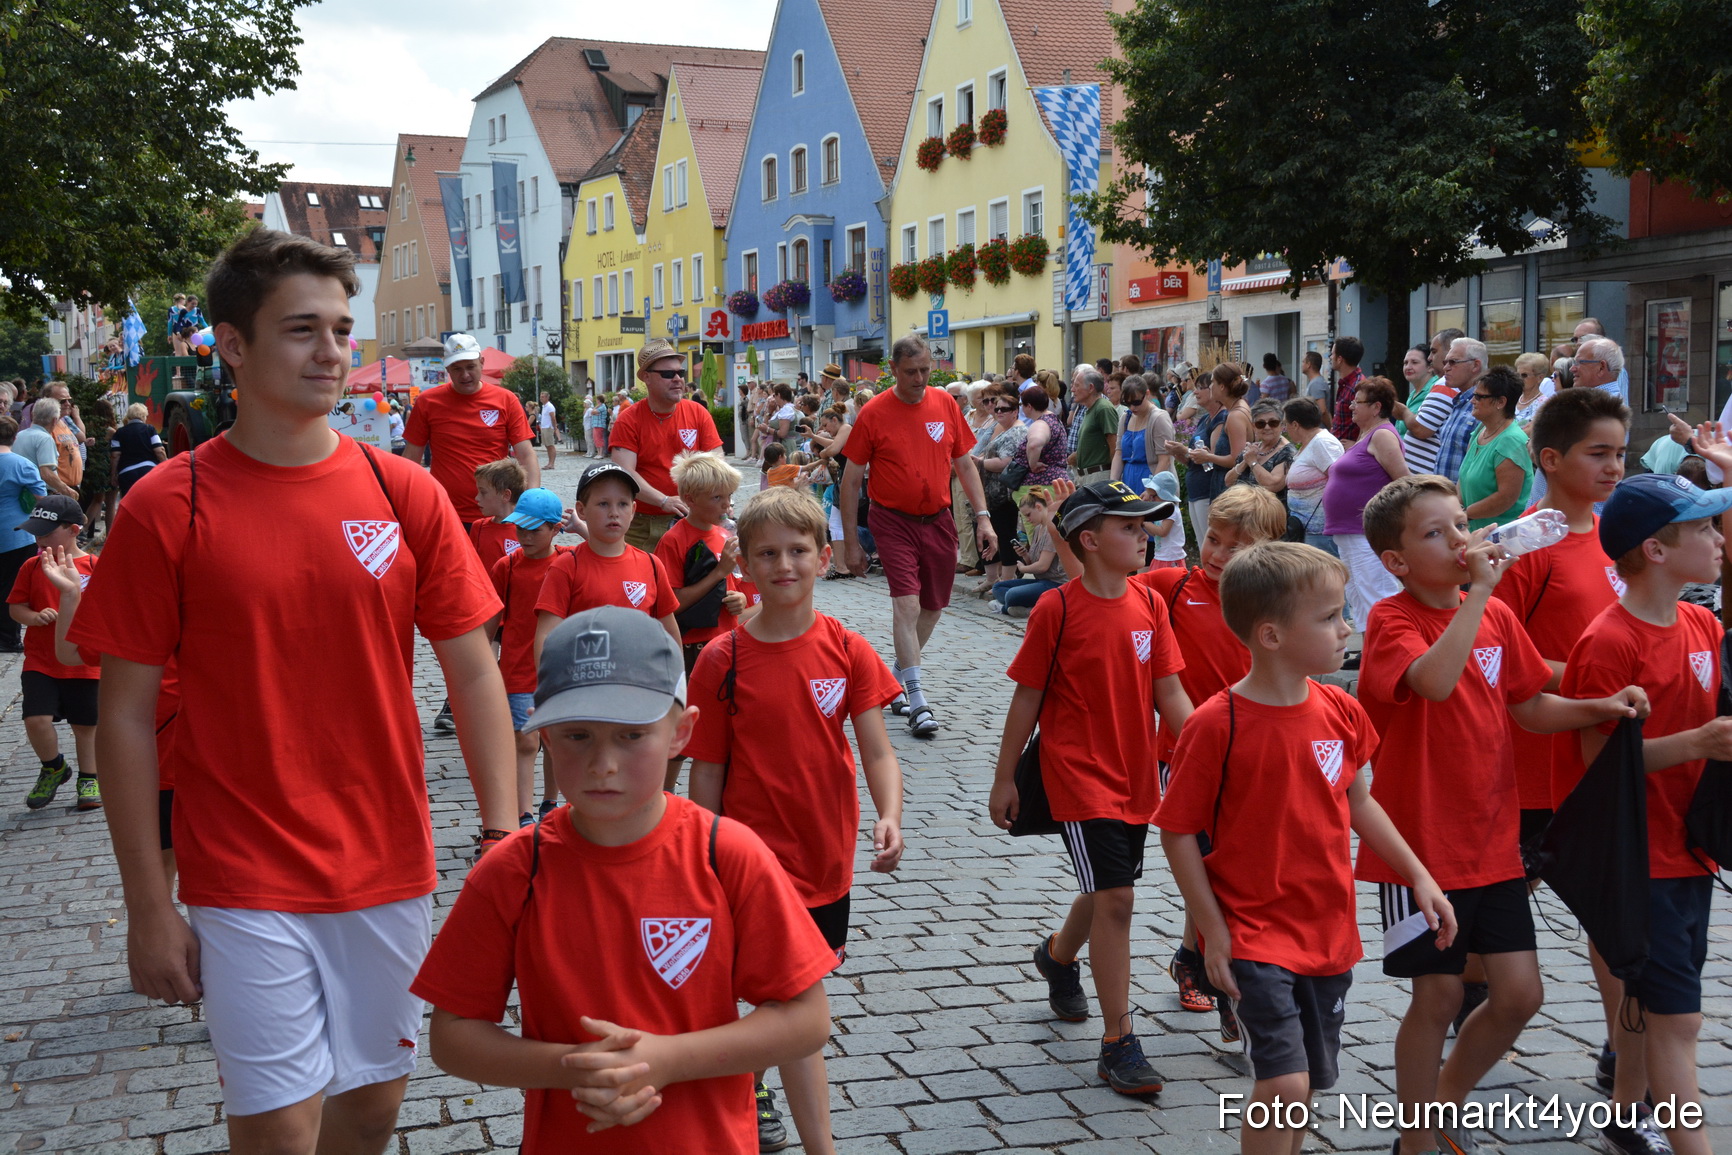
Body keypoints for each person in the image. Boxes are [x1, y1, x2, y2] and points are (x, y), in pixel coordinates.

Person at [67, 228, 518, 1153]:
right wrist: (150, 903)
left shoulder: (402, 492)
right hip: (242, 867)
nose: (332, 352)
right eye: (303, 329)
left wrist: (504, 836)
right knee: (276, 1127)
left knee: (373, 1107)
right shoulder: (170, 504)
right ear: (233, 344)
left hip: (387, 858)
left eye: (342, 330)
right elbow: (124, 716)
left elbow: (474, 669)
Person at [412, 607, 838, 1155]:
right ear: (543, 735)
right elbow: (452, 1036)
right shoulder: (514, 871)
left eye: (632, 735)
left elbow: (806, 1018)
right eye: (578, 735)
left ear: (681, 732)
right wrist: (575, 1068)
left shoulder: (728, 855)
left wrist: (668, 1060)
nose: (603, 763)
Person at [1356, 475, 1646, 1155]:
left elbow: (1530, 705)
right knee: (1437, 998)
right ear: (1396, 561)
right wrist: (1482, 594)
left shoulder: (1492, 616)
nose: (1460, 540)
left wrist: (1600, 707)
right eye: (1436, 533)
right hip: (1419, 850)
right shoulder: (1392, 620)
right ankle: (1415, 1141)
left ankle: (1439, 1107)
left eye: (1461, 524)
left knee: (1519, 995)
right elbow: (1434, 681)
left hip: (1492, 842)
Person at [1157, 542, 1456, 1155]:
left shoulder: (1342, 710)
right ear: (1270, 635)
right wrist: (1213, 932)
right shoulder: (1216, 723)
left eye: (1342, 613)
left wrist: (1419, 875)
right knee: (1285, 1083)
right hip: (1253, 933)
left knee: (1309, 1084)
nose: (1346, 627)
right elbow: (1177, 830)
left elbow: (1360, 803)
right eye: (1328, 617)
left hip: (1326, 932)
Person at [686, 487, 904, 1155]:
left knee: (790, 994)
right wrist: (701, 851)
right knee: (794, 997)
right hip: (750, 860)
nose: (784, 565)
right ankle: (804, 1131)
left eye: (798, 550)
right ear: (745, 564)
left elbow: (876, 749)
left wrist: (890, 814)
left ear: (824, 557)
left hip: (825, 855)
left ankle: (750, 1076)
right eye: (767, 553)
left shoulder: (847, 648)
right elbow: (707, 770)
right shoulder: (723, 659)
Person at [989, 480, 1192, 1096]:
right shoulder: (1057, 608)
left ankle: (1057, 956)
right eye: (1129, 527)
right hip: (1077, 773)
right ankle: (1117, 1041)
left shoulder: (1149, 603)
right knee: (1118, 899)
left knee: (1109, 889)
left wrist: (1209, 754)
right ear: (1091, 540)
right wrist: (1003, 777)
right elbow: (1027, 697)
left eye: (1145, 525)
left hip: (1136, 773)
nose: (1144, 536)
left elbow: (1170, 692)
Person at [1556, 468, 1732, 1155]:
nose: (1718, 540)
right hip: (1640, 859)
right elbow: (1599, 767)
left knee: (1652, 1003)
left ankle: (1626, 1114)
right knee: (1677, 1020)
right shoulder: (1609, 641)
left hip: (1690, 850)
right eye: (1703, 529)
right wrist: (1697, 743)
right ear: (1655, 550)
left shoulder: (1700, 621)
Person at [1487, 388, 1629, 1090]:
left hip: (1601, 761)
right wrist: (1593, 681)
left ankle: (1623, 1050)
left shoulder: (1621, 538)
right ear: (1549, 458)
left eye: (1620, 454)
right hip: (1529, 766)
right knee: (1485, 914)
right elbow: (1494, 651)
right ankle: (1469, 999)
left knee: (1615, 914)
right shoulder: (1523, 545)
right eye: (1598, 453)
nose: (1613, 467)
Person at [839, 334, 997, 739]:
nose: (920, 378)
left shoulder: (944, 403)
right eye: (911, 371)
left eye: (926, 370)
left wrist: (983, 518)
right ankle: (917, 699)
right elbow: (851, 479)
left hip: (938, 519)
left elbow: (965, 464)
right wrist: (851, 543)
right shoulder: (874, 413)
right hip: (892, 520)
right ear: (893, 369)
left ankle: (894, 678)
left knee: (933, 606)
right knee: (907, 605)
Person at [534, 461, 679, 664]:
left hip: (639, 680)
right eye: (603, 504)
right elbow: (546, 638)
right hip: (584, 679)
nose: (614, 512)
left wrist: (676, 681)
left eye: (623, 504)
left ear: (633, 510)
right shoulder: (565, 567)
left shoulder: (652, 565)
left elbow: (670, 634)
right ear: (581, 510)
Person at [485, 487, 571, 828]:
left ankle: (551, 802)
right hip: (518, 669)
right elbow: (490, 623)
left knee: (555, 742)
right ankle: (523, 813)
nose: (525, 536)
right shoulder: (506, 567)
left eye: (534, 530)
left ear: (555, 529)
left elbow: (607, 549)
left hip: (559, 672)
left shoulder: (569, 562)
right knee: (525, 741)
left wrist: (581, 526)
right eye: (520, 528)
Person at [10, 496, 100, 810]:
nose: (39, 539)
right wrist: (34, 617)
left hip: (84, 663)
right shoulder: (31, 566)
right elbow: (16, 608)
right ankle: (54, 767)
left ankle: (89, 778)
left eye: (47, 533)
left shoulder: (94, 566)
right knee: (35, 719)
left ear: (74, 530)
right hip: (41, 661)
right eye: (35, 532)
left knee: (85, 725)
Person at [400, 332, 540, 524]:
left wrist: (531, 501)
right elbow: (411, 458)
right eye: (457, 368)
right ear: (447, 369)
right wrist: (401, 499)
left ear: (481, 362)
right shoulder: (427, 402)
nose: (465, 375)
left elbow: (526, 454)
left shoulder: (506, 400)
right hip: (447, 513)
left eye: (470, 367)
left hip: (497, 514)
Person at [611, 340, 723, 553]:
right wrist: (663, 501)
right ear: (646, 377)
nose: (678, 379)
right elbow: (624, 472)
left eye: (681, 373)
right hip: (643, 524)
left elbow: (717, 462)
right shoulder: (629, 419)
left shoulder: (697, 412)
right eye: (668, 374)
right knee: (642, 574)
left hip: (693, 519)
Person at [1322, 377, 1409, 628]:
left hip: (1366, 532)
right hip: (1350, 531)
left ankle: (1390, 641)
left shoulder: (1382, 436)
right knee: (1358, 597)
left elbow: (1404, 481)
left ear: (1376, 407)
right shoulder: (1365, 435)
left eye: (1357, 402)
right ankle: (1369, 643)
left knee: (1376, 593)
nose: (1351, 407)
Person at [971, 382, 1027, 598]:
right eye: (996, 408)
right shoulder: (1002, 429)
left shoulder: (1017, 431)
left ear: (1015, 411)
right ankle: (992, 579)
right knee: (989, 534)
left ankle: (1006, 581)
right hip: (991, 493)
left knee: (1005, 536)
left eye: (1004, 409)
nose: (998, 411)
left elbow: (1005, 461)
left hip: (1004, 494)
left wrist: (980, 462)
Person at [1459, 366, 1532, 529]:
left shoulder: (1511, 441)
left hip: (1500, 536)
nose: (1472, 401)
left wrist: (1463, 515)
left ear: (1501, 402)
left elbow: (1505, 499)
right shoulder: (1480, 431)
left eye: (1479, 396)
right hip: (1474, 531)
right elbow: (1463, 482)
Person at [0, 417, 48, 654]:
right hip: (15, 534)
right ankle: (8, 638)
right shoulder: (22, 464)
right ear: (15, 437)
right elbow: (42, 498)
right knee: (11, 587)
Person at [988, 487, 1069, 614]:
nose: (1027, 519)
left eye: (1028, 515)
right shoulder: (1037, 529)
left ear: (1038, 507)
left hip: (1055, 583)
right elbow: (1034, 562)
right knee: (998, 587)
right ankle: (1022, 606)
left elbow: (1042, 566)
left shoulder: (1050, 530)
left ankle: (1006, 608)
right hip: (1041, 581)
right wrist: (1025, 555)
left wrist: (1023, 569)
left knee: (1012, 595)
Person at [1282, 398, 1343, 556]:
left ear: (1295, 425)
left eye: (1286, 424)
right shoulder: (1309, 443)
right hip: (1308, 531)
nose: (1284, 429)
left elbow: (1340, 480)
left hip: (1321, 534)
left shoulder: (1322, 443)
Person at [1396, 343, 1461, 476]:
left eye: (1414, 362)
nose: (1408, 367)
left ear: (1430, 367)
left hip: (1426, 477)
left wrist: (1403, 412)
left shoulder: (1440, 387)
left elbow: (1421, 429)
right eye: (1405, 363)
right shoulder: (1414, 394)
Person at [1112, 376, 1173, 497]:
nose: (1132, 407)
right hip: (1129, 482)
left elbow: (1165, 459)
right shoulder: (1126, 417)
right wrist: (1113, 484)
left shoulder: (1159, 418)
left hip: (1152, 483)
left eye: (1136, 402)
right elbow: (1119, 453)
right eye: (1127, 403)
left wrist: (1151, 489)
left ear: (1147, 394)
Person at [1225, 400, 1295, 505]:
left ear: (1282, 425)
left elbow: (1273, 485)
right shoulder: (1253, 449)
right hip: (1244, 509)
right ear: (1254, 427)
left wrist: (1253, 462)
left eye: (1273, 423)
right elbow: (1228, 481)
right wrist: (1245, 462)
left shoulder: (1287, 452)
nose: (1267, 427)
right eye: (1260, 424)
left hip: (1270, 512)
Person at [470, 458, 527, 571]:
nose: (477, 497)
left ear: (506, 495)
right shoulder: (478, 527)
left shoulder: (527, 529)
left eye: (483, 492)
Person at [16, 398, 76, 499]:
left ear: (33, 415)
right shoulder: (45, 439)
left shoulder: (19, 435)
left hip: (19, 492)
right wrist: (67, 490)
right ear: (55, 420)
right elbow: (46, 473)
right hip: (36, 495)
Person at [1067, 365, 1117, 484]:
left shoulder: (1103, 408)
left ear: (1090, 388)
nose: (1072, 389)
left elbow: (1114, 446)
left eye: (1077, 385)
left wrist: (1113, 480)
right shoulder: (1090, 409)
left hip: (1098, 477)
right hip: (1087, 476)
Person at [110, 403, 167, 498]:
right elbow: (159, 451)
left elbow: (115, 455)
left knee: (130, 502)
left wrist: (113, 475)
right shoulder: (150, 429)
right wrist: (165, 466)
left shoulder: (119, 433)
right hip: (148, 471)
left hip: (127, 473)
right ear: (144, 416)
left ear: (129, 416)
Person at [1574, 318, 1630, 405]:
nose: (1578, 342)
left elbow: (1619, 406)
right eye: (1575, 339)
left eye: (1583, 337)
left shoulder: (1614, 370)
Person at [1328, 336, 1366, 442]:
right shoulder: (1346, 384)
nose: (1330, 357)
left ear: (1340, 359)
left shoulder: (1359, 386)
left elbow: (1368, 421)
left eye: (1332, 354)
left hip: (1348, 450)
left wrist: (1356, 445)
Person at [1513, 352, 1554, 428]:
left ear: (1540, 378)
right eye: (1517, 375)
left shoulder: (1544, 405)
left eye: (1524, 375)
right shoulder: (1512, 398)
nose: (1519, 379)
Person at [539, 390, 558, 469]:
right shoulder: (544, 406)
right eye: (541, 397)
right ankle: (549, 463)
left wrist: (554, 427)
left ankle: (552, 464)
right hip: (544, 427)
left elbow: (553, 418)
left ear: (547, 397)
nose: (541, 398)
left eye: (543, 397)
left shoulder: (550, 406)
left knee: (550, 445)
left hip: (548, 427)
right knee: (547, 446)